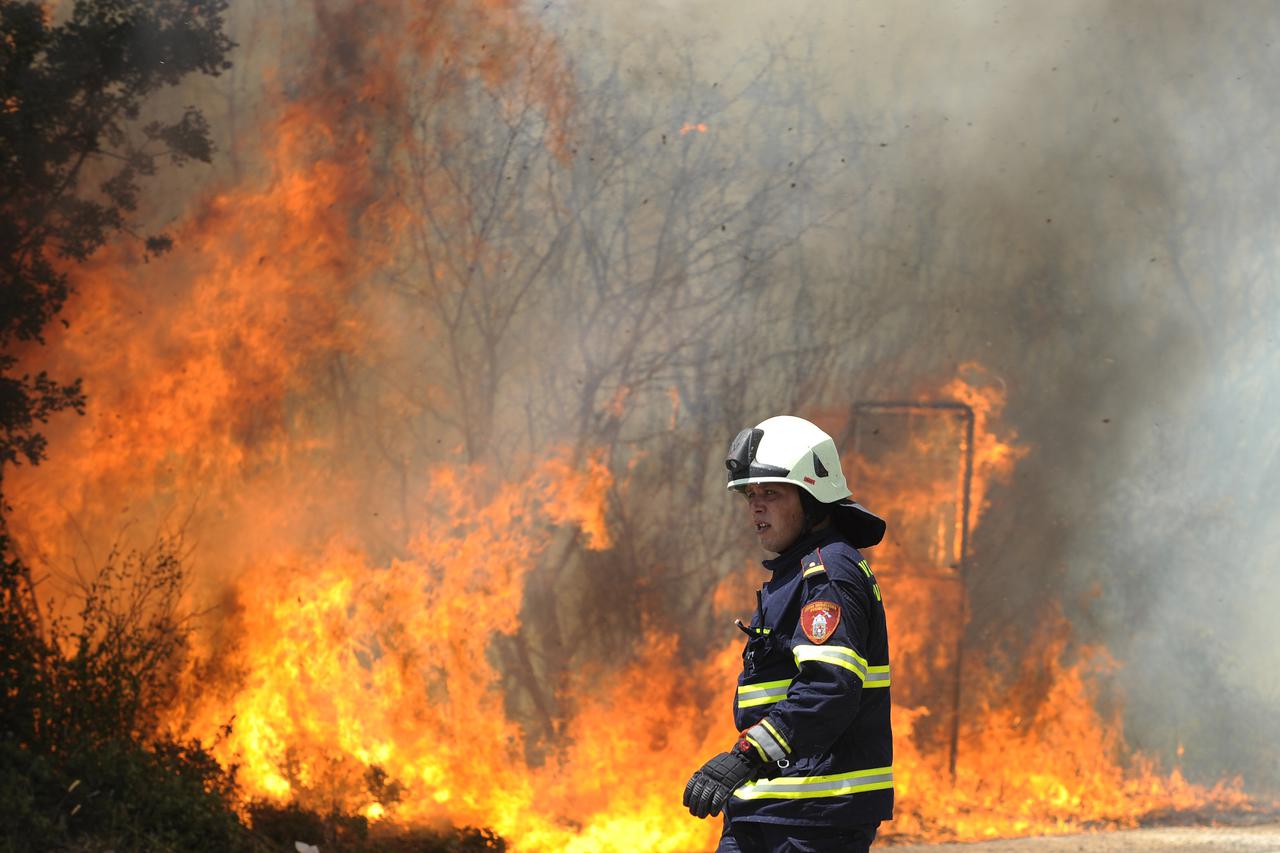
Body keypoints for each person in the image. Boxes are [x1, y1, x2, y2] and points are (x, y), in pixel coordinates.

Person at [682, 415, 893, 853]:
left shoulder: (828, 572)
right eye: (750, 495)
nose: (756, 507)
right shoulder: (796, 574)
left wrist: (746, 755)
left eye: (772, 493)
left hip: (813, 816)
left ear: (813, 498)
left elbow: (828, 688)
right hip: (771, 809)